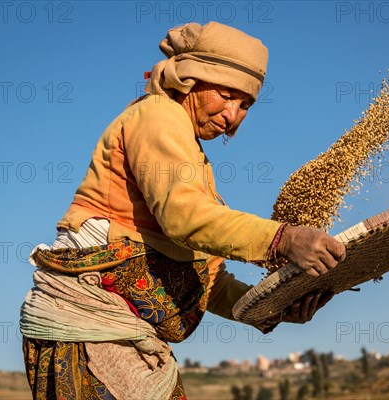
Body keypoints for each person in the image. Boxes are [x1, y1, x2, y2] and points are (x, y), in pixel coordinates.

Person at [20, 21, 346, 400]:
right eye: (226, 95)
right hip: (89, 329)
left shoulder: (193, 160)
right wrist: (284, 238)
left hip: (132, 344)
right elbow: (184, 216)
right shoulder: (159, 115)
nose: (234, 115)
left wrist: (269, 307)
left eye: (245, 105)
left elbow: (209, 279)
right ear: (191, 79)